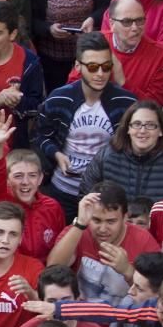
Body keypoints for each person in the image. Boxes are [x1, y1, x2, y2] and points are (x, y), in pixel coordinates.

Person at [37, 33, 137, 218]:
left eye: (106, 67)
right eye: (92, 67)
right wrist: (56, 154)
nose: (100, 73)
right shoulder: (59, 99)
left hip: (107, 195)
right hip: (63, 190)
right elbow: (43, 136)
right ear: (77, 66)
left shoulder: (126, 103)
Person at [48, 183, 159, 308]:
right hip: (80, 317)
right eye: (96, 220)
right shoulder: (78, 231)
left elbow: (158, 293)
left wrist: (128, 271)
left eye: (111, 221)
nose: (102, 229)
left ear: (125, 217)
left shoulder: (143, 240)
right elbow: (52, 271)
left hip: (124, 321)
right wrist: (80, 224)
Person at [0, 109, 64, 261]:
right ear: (7, 181)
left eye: (32, 176)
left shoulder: (53, 207)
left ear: (40, 179)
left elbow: (59, 251)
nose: (26, 182)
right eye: (18, 176)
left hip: (38, 278)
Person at [0, 0, 43, 138]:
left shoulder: (29, 62)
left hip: (15, 140)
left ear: (12, 34)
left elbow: (38, 106)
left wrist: (19, 101)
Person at [81, 0, 163, 105]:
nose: (135, 28)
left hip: (131, 120)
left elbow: (154, 108)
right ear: (112, 24)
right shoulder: (95, 44)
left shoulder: (160, 56)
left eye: (139, 20)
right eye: (127, 22)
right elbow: (72, 86)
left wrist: (122, 81)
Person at [81, 100, 163, 201]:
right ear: (128, 128)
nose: (143, 131)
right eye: (137, 124)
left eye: (150, 125)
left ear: (160, 131)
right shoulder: (106, 156)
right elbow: (85, 195)